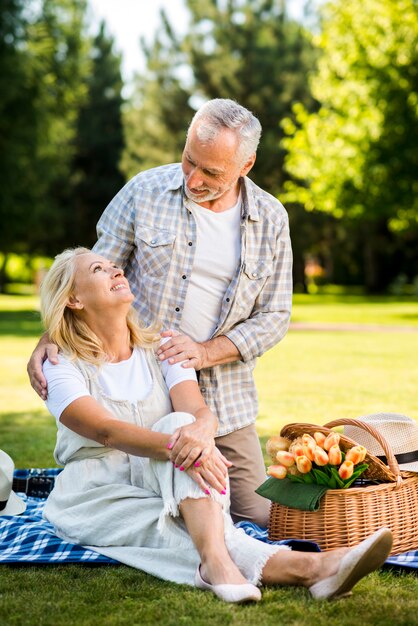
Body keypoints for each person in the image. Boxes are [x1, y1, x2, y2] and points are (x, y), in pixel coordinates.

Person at [38, 247, 393, 603]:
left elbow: (197, 411)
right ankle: (312, 569)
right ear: (73, 299)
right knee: (176, 530)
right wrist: (187, 446)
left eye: (115, 266)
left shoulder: (163, 346)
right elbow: (106, 432)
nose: (116, 271)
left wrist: (202, 432)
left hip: (165, 476)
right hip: (97, 493)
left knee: (182, 423)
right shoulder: (58, 366)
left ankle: (223, 567)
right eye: (99, 269)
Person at [29, 98, 290, 527]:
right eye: (190, 161)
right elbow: (91, 274)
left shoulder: (271, 219)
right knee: (150, 501)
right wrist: (48, 338)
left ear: (246, 165)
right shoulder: (143, 191)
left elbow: (275, 315)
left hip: (226, 398)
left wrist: (204, 353)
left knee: (259, 516)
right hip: (146, 396)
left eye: (212, 172)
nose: (194, 178)